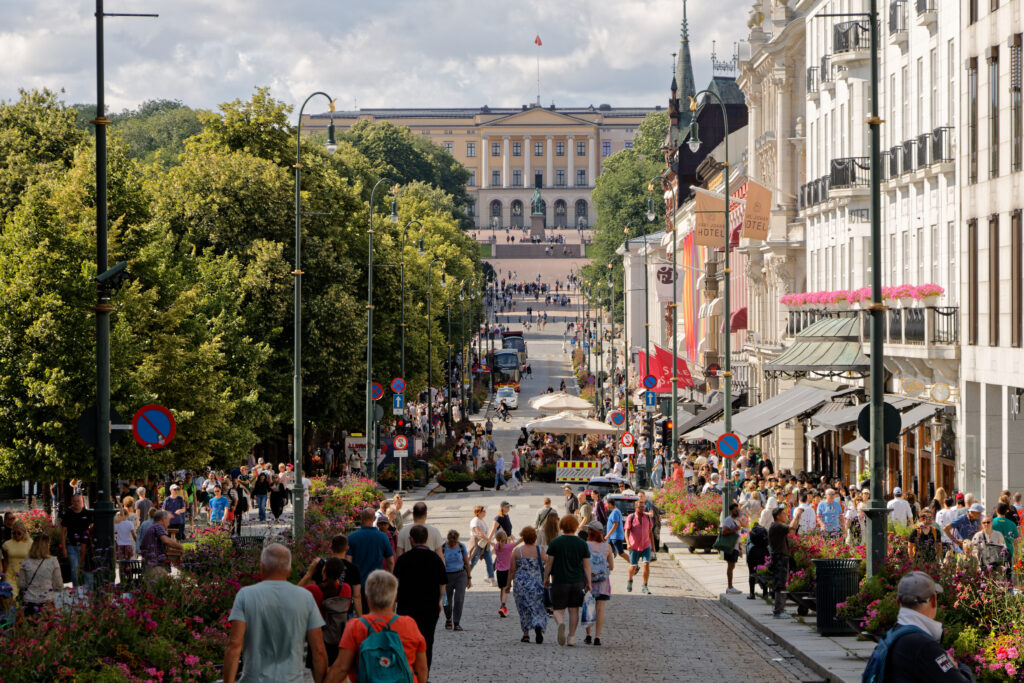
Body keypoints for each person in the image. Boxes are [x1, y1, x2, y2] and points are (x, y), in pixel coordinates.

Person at [223, 544, 327, 683]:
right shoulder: (305, 598)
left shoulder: (245, 595)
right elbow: (318, 650)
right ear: (289, 571)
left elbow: (234, 645)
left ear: (262, 568)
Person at [866, 571, 972, 682]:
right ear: (934, 600)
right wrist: (959, 667)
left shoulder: (891, 636)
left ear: (898, 603)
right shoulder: (924, 645)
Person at [324, 570, 427, 683]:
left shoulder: (356, 626)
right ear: (395, 598)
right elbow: (421, 668)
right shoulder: (409, 624)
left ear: (367, 597)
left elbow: (341, 668)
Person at [393, 525, 446, 670]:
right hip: (429, 608)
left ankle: (408, 672)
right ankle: (424, 674)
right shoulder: (435, 559)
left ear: (411, 540)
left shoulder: (403, 559)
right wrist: (438, 600)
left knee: (406, 641)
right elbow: (442, 584)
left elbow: (395, 582)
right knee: (427, 642)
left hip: (406, 607)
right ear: (427, 539)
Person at [544, 515, 591, 647]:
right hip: (577, 581)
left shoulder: (555, 542)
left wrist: (545, 578)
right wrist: (590, 583)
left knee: (558, 609)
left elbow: (549, 563)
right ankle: (571, 637)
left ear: (562, 526)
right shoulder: (582, 543)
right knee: (574, 609)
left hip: (559, 580)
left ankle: (560, 624)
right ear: (576, 526)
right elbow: (587, 565)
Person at [303, 557, 353, 667]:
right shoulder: (346, 588)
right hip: (338, 637)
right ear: (341, 574)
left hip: (318, 639)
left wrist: (309, 573)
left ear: (323, 570)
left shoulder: (314, 590)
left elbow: (294, 594)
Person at [300, 534, 363, 618]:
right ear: (347, 548)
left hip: (322, 614)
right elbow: (356, 596)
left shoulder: (320, 565)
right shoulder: (353, 569)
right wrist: (360, 618)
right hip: (344, 614)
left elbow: (313, 588)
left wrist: (309, 573)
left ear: (331, 547)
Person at [346, 508, 394, 612]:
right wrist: (390, 577)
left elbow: (348, 562)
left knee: (362, 613)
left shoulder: (352, 537)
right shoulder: (382, 537)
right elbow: (390, 561)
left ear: (361, 518)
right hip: (377, 583)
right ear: (374, 519)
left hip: (359, 584)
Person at [509, 525, 547, 644]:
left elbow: (512, 570)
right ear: (534, 538)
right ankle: (538, 625)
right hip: (536, 583)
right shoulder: (539, 550)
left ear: (523, 537)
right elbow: (546, 563)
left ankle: (525, 634)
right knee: (537, 606)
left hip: (521, 584)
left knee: (523, 608)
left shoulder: (517, 551)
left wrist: (507, 584)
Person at [16, 532, 62, 617]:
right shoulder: (53, 561)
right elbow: (58, 584)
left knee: (30, 628)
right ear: (47, 546)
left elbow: (21, 584)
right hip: (47, 601)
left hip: (29, 601)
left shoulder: (26, 561)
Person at [583, 520, 613, 646]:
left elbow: (582, 564)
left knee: (589, 607)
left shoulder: (585, 545)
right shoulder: (607, 547)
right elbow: (611, 566)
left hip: (588, 581)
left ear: (590, 532)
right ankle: (597, 637)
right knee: (600, 609)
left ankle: (588, 635)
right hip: (602, 583)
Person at [769, 505, 802, 619]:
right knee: (780, 584)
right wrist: (796, 515)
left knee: (782, 583)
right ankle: (778, 611)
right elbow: (791, 528)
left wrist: (797, 518)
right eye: (783, 514)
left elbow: (792, 529)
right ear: (778, 516)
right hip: (779, 558)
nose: (785, 515)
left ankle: (780, 609)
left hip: (782, 558)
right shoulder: (776, 526)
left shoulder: (777, 526)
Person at [59, 494, 94, 588]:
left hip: (84, 547)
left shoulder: (87, 513)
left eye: (78, 501)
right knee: (74, 570)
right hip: (71, 546)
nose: (76, 503)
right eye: (74, 501)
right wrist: (64, 548)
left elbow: (92, 529)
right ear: (71, 502)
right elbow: (63, 532)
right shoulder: (68, 514)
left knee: (82, 570)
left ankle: (83, 589)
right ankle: (76, 590)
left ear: (81, 501)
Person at [139, 510, 184, 580]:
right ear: (163, 519)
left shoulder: (153, 527)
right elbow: (166, 540)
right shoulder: (158, 526)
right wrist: (180, 547)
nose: (169, 524)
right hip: (156, 566)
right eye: (168, 520)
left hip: (149, 566)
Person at [442, 529, 471, 631]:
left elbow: (467, 563)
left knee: (459, 599)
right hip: (446, 576)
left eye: (454, 541)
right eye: (451, 541)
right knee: (446, 601)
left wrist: (469, 578)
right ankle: (448, 618)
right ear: (448, 539)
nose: (452, 543)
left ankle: (456, 622)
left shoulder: (461, 547)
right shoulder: (443, 548)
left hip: (460, 575)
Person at [624, 499, 654, 595]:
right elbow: (627, 531)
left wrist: (653, 547)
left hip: (646, 545)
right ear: (635, 507)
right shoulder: (631, 517)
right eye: (640, 507)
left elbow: (650, 532)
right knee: (633, 566)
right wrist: (628, 543)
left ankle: (645, 586)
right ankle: (629, 580)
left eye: (643, 507)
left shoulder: (648, 518)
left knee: (646, 564)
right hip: (634, 546)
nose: (642, 509)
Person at [1, 521, 30, 598]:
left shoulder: (30, 543)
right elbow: (5, 561)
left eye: (19, 533)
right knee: (11, 598)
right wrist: (4, 575)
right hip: (10, 575)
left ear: (24, 532)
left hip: (25, 575)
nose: (16, 535)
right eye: (14, 533)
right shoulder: (7, 544)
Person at [719, 502, 743, 595]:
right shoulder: (728, 520)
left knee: (732, 566)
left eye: (738, 510)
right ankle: (730, 586)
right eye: (735, 510)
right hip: (730, 547)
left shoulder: (736, 520)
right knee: (730, 566)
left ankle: (731, 586)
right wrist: (734, 529)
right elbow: (724, 531)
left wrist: (740, 548)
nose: (737, 511)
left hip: (735, 547)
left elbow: (738, 535)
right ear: (731, 511)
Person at [468, 505, 495, 585]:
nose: (485, 512)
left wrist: (488, 541)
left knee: (489, 561)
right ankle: (466, 577)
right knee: (473, 561)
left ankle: (492, 579)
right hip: (478, 543)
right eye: (484, 511)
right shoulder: (475, 520)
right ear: (479, 512)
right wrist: (490, 541)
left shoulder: (481, 520)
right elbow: (479, 533)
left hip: (484, 543)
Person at [493, 530, 515, 618]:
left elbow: (497, 543)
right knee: (506, 588)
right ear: (505, 539)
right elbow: (517, 543)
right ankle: (503, 605)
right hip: (507, 570)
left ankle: (502, 606)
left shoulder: (496, 547)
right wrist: (512, 539)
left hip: (499, 571)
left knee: (502, 589)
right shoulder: (508, 547)